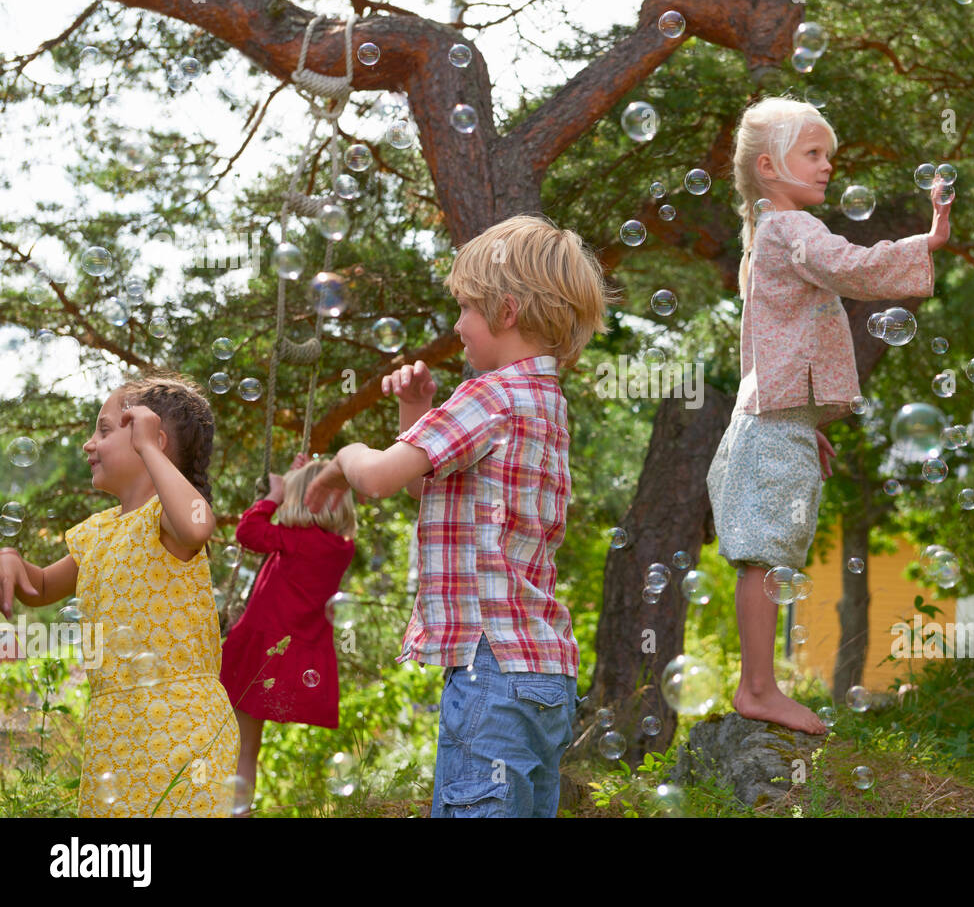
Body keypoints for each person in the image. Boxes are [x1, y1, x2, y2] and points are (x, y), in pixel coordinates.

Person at [303, 214, 614, 817]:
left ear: (505, 310)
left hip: (491, 673)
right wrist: (416, 410)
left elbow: (377, 478)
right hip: (543, 674)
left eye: (466, 307)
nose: (456, 324)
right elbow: (440, 495)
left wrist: (343, 456)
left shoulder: (488, 396)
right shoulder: (546, 403)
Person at [707, 96, 951, 734]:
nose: (826, 168)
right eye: (812, 154)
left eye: (828, 157)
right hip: (770, 423)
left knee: (764, 556)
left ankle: (761, 685)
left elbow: (771, 352)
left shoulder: (765, 237)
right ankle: (758, 688)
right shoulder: (791, 229)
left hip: (767, 420)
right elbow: (850, 266)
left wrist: (800, 424)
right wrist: (925, 242)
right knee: (763, 557)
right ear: (768, 167)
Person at [0, 372, 239, 816]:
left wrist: (147, 449)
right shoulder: (96, 533)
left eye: (105, 429)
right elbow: (40, 587)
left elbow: (197, 523)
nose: (89, 444)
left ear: (153, 438)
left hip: (182, 725)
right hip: (115, 730)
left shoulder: (167, 521)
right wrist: (13, 559)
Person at [220, 452, 357, 814]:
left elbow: (247, 531)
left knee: (237, 741)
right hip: (292, 657)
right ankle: (239, 811)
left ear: (298, 501)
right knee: (250, 745)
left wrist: (275, 495)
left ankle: (229, 810)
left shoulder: (293, 540)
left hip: (257, 653)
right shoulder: (341, 548)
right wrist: (298, 483)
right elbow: (302, 531)